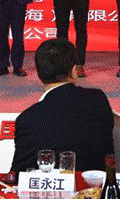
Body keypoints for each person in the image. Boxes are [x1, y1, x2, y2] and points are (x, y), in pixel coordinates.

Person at [10, 38, 114, 173]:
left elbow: (19, 174)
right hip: (98, 184)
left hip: (50, 185)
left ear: (38, 73)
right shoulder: (98, 98)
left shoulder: (28, 119)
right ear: (74, 71)